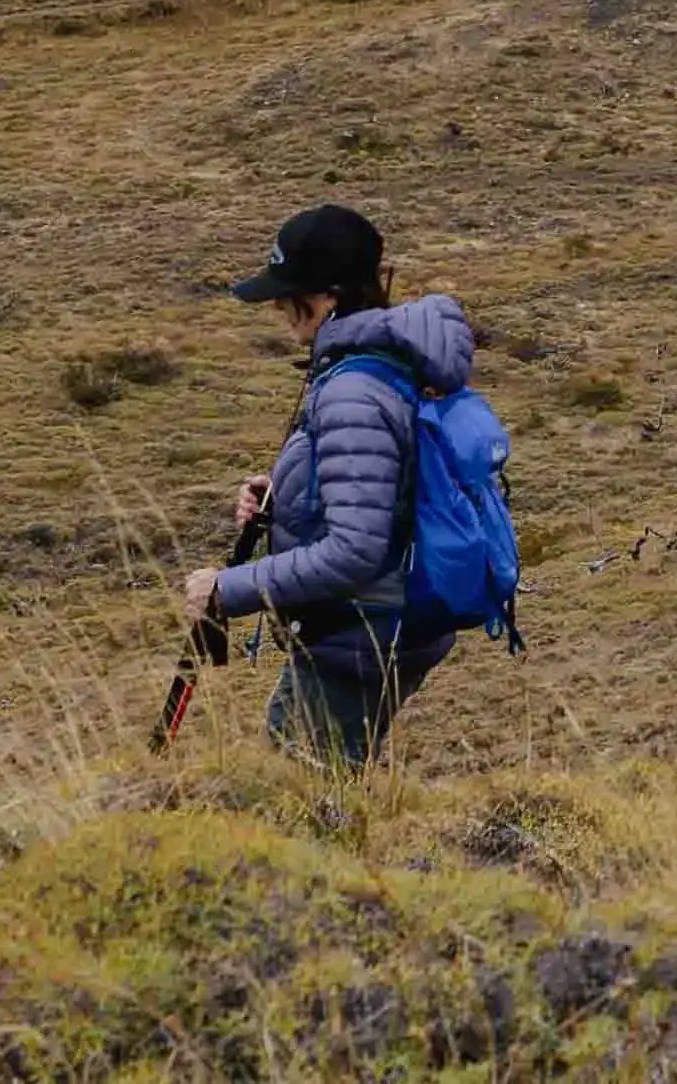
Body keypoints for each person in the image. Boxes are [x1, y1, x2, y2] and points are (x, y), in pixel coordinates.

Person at [176, 201, 477, 764]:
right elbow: (380, 484)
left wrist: (228, 588)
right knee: (313, 788)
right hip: (377, 623)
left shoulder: (352, 390)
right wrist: (289, 493)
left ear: (327, 297)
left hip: (359, 631)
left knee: (297, 799)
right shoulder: (375, 365)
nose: (278, 307)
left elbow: (355, 550)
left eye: (288, 293)